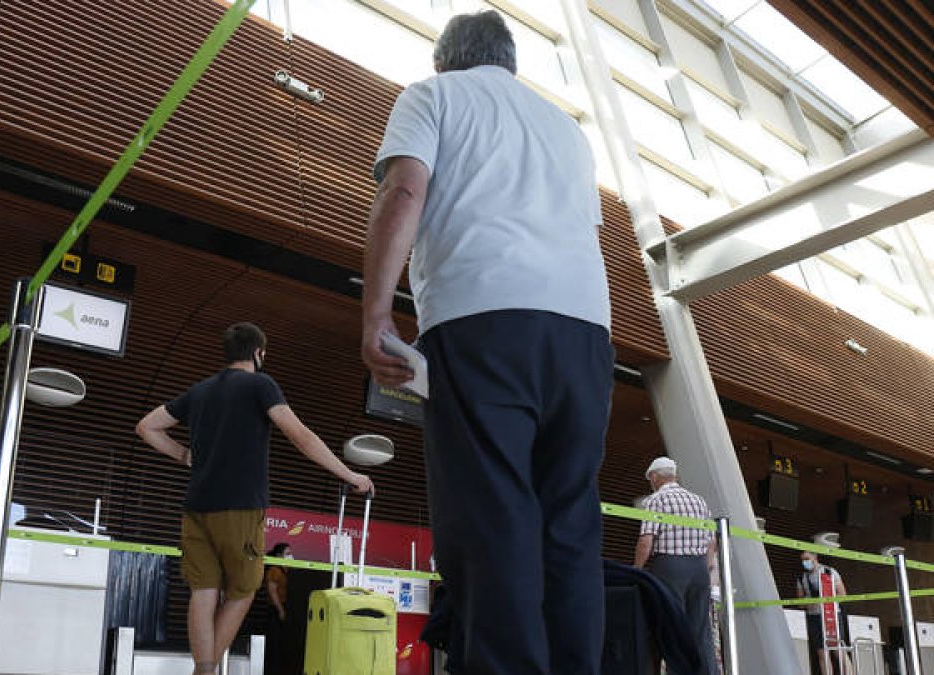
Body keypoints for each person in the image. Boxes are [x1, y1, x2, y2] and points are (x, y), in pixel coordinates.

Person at [360, 10, 614, 674]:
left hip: (483, 320)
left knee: (492, 519)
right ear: (510, 63)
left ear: (443, 60)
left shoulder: (433, 95)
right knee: (569, 526)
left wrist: (377, 313)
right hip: (586, 336)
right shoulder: (567, 129)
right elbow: (584, 232)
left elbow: (404, 188)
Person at [137, 322, 374, 675]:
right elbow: (300, 435)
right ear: (259, 353)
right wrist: (350, 474)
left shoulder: (199, 391)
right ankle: (205, 672)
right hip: (241, 507)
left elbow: (146, 426)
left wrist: (185, 455)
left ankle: (203, 668)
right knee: (243, 590)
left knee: (203, 591)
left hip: (196, 507)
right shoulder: (260, 384)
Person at [633, 457, 719, 675]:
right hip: (699, 568)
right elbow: (712, 542)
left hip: (670, 566)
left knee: (672, 625)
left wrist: (637, 570)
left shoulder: (656, 500)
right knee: (701, 629)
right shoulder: (699, 501)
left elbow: (646, 541)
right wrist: (705, 566)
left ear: (655, 477)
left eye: (650, 479)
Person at [797, 551, 852, 675]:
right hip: (814, 617)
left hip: (831, 615)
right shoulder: (802, 578)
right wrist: (809, 602)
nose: (805, 562)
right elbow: (799, 603)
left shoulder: (829, 572)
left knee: (838, 650)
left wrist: (826, 599)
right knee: (822, 653)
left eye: (807, 559)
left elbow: (842, 595)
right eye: (802, 560)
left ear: (815, 557)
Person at [263, 542, 295, 675]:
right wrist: (280, 610)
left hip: (284, 607)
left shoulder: (287, 570)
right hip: (275, 609)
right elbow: (272, 591)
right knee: (274, 643)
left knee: (282, 643)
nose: (291, 556)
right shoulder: (274, 570)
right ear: (278, 556)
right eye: (287, 553)